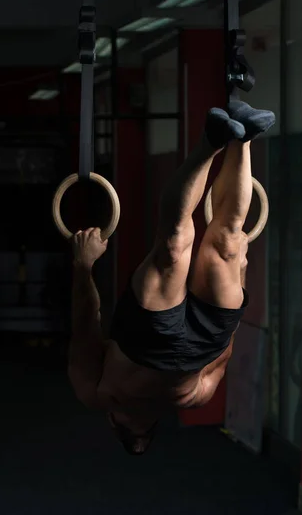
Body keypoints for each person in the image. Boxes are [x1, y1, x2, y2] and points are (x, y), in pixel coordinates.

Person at [68, 101, 275, 455]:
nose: (140, 420)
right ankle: (243, 137)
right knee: (210, 243)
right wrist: (237, 281)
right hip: (197, 345)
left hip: (154, 343)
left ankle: (216, 140)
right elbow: (225, 351)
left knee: (184, 244)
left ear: (117, 422)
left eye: (135, 429)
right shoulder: (190, 399)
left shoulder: (100, 395)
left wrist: (83, 265)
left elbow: (87, 326)